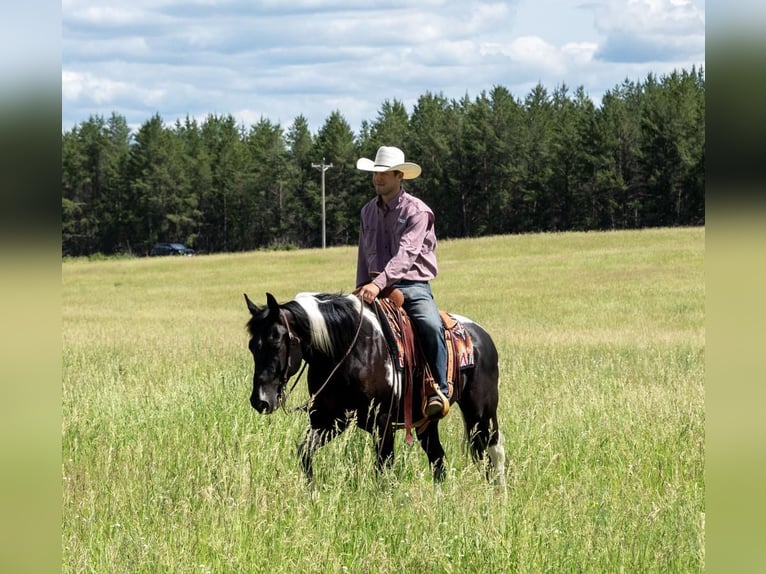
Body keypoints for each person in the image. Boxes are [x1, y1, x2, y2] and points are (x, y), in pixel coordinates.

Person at [353, 145, 449, 418]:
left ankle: (438, 389)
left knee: (430, 324)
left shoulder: (417, 211)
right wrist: (362, 285)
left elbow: (405, 256)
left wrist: (377, 284)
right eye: (375, 173)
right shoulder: (367, 211)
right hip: (373, 286)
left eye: (384, 173)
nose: (377, 178)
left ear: (399, 176)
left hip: (411, 285)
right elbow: (363, 253)